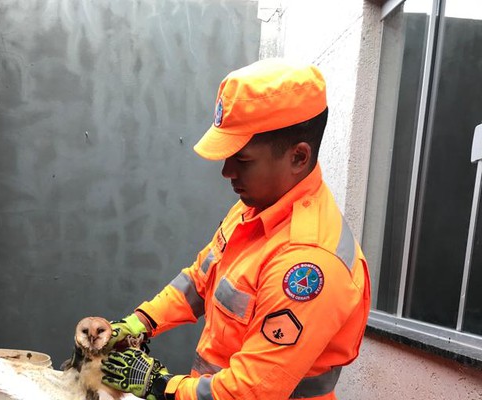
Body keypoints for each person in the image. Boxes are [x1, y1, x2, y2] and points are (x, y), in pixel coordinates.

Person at [99, 58, 371, 400]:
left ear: (298, 157)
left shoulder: (309, 266)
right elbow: (200, 281)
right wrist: (140, 322)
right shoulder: (255, 208)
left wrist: (158, 385)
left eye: (242, 160)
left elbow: (251, 391)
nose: (227, 171)